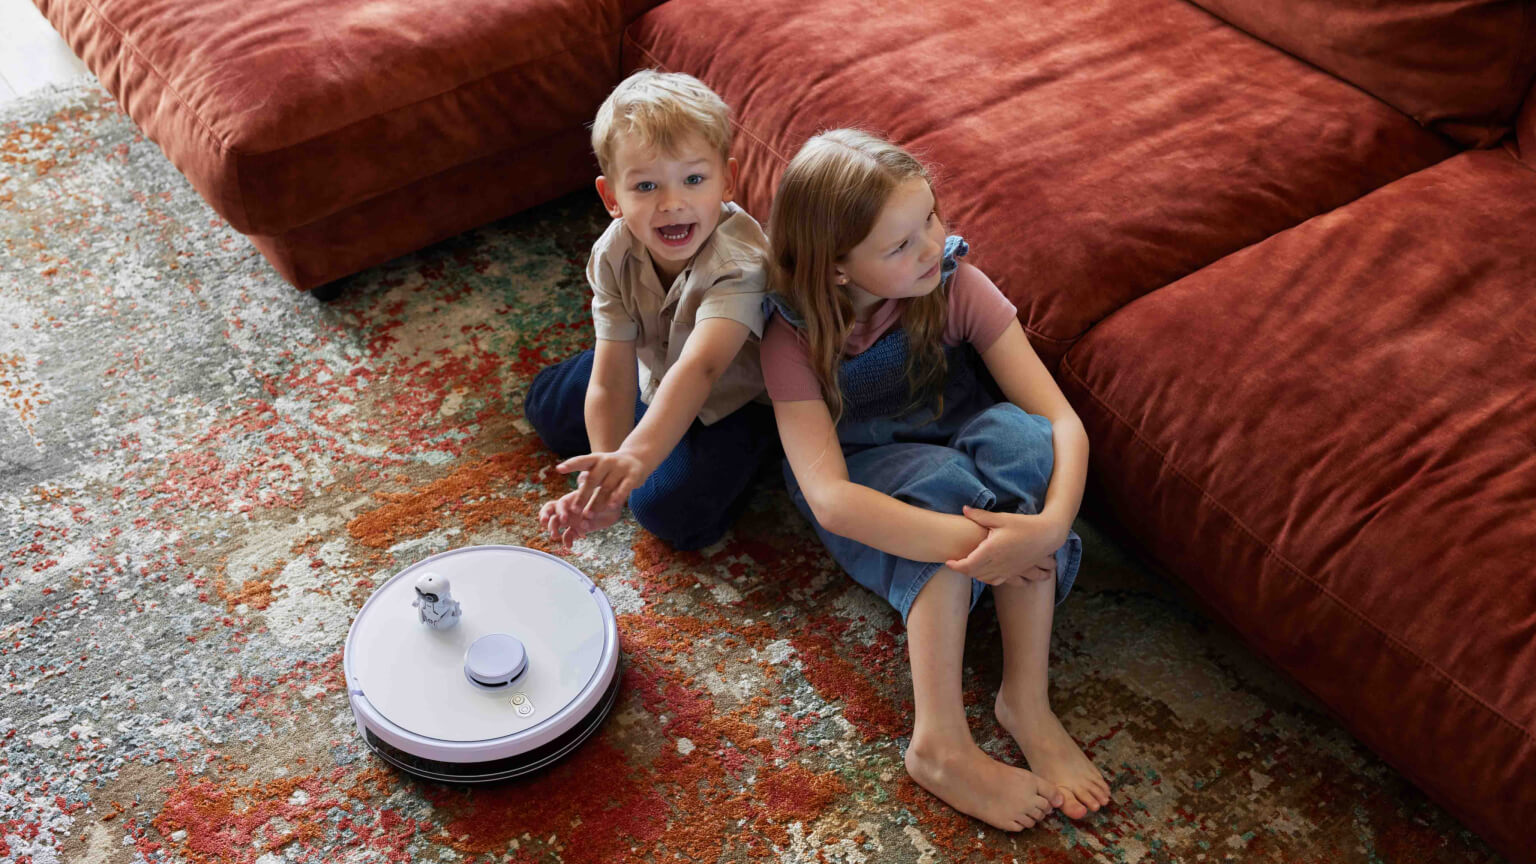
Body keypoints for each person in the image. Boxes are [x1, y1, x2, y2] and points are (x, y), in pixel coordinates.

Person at [761, 129, 1112, 829]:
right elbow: (831, 499)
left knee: (1024, 438)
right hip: (869, 481)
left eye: (930, 218)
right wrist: (978, 542)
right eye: (900, 245)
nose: (931, 246)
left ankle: (1026, 700)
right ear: (836, 269)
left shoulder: (956, 285)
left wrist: (1045, 527)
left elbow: (1063, 424)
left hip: (963, 443)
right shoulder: (790, 338)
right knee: (948, 480)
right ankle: (939, 743)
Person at [523, 70, 777, 550]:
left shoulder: (740, 262)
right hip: (652, 366)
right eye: (646, 187)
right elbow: (611, 374)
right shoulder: (612, 251)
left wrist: (633, 463)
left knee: (665, 511)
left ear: (728, 180)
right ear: (611, 198)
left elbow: (700, 369)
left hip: (729, 401)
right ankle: (641, 429)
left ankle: (762, 456)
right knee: (545, 407)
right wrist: (603, 478)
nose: (673, 203)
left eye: (694, 179)